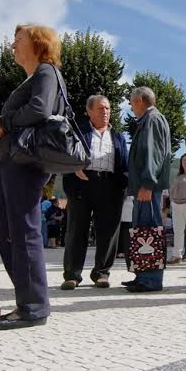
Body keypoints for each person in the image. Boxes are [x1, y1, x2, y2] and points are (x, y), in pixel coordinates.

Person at [0, 24, 65, 330]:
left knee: (23, 231)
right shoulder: (33, 77)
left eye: (18, 40)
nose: (13, 46)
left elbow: (40, 109)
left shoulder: (46, 71)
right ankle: (28, 300)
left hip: (25, 164)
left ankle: (33, 307)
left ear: (38, 44)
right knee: (7, 231)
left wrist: (2, 122)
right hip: (12, 162)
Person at [60, 94, 128, 289]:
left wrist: (123, 185)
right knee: (76, 230)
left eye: (107, 108)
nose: (105, 112)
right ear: (89, 111)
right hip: (82, 183)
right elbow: (65, 154)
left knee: (108, 231)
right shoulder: (77, 131)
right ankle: (72, 275)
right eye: (100, 108)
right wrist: (74, 167)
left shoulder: (118, 136)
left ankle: (101, 273)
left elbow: (123, 164)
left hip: (110, 185)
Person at [123, 86, 172, 293]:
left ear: (141, 101)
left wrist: (147, 184)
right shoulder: (150, 120)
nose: (131, 107)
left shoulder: (152, 120)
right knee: (143, 230)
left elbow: (154, 153)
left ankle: (150, 279)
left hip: (147, 187)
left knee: (148, 231)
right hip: (145, 186)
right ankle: (142, 274)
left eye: (132, 103)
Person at [118, 195, 134, 270]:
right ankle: (119, 251)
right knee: (119, 232)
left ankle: (126, 251)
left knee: (127, 231)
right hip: (118, 207)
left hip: (128, 208)